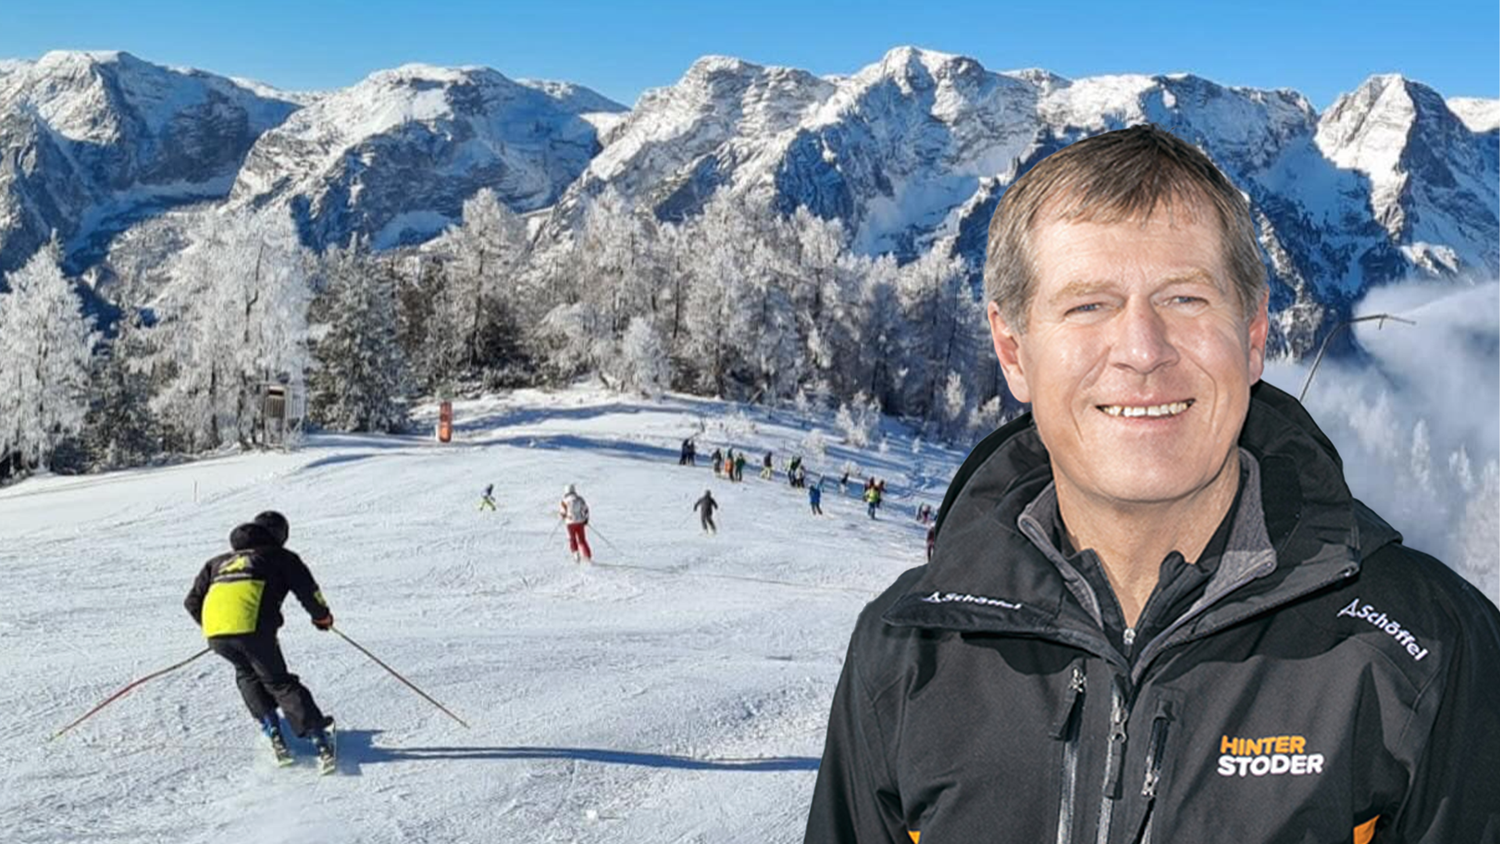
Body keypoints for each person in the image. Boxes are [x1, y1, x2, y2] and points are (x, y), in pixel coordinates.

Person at [805, 125, 1500, 843]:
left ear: (1255, 334)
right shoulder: (908, 649)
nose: (1141, 350)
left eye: (1185, 299)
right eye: (1088, 305)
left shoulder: (1424, 649)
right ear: (1013, 351)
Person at [184, 511, 336, 770]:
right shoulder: (280, 557)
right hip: (253, 630)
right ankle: (317, 737)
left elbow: (192, 601)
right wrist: (322, 618)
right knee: (278, 681)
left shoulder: (217, 561)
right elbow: (307, 590)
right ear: (279, 535)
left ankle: (272, 728)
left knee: (247, 673)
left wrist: (215, 626)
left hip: (218, 634)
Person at [559, 484, 592, 563]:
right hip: (580, 522)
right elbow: (585, 509)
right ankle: (587, 556)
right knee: (582, 540)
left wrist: (563, 517)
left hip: (570, 523)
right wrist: (586, 519)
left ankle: (576, 556)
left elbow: (563, 512)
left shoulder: (564, 500)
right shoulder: (580, 499)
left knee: (572, 539)